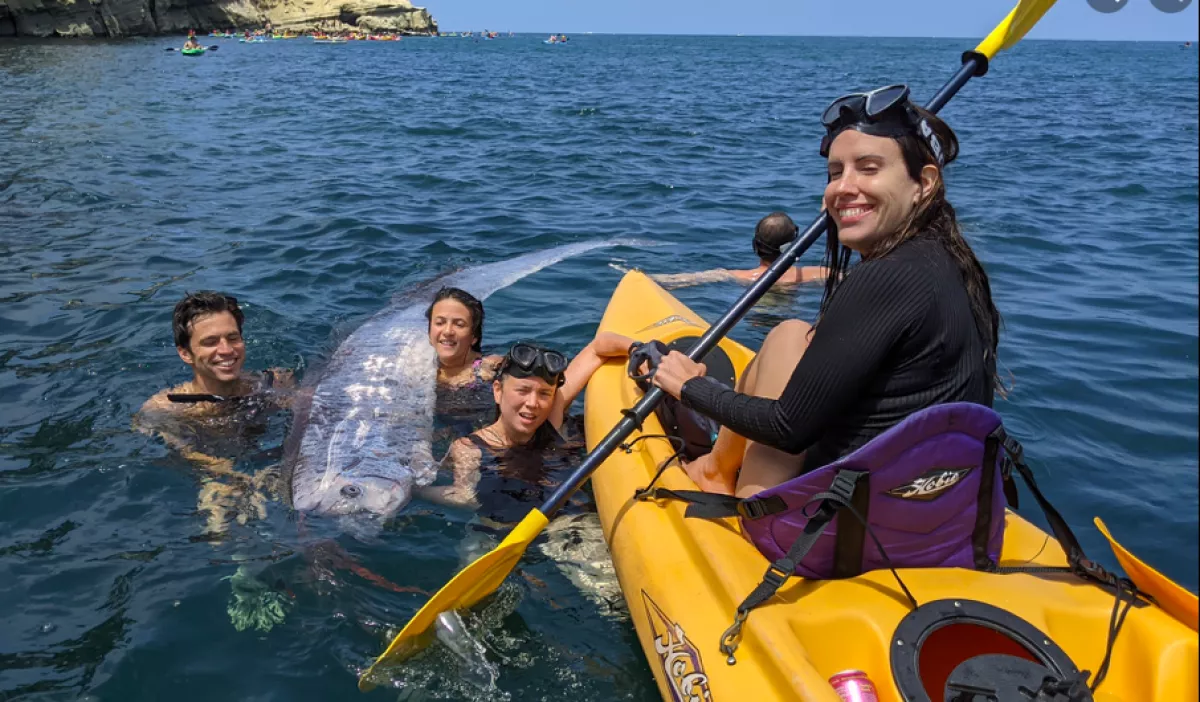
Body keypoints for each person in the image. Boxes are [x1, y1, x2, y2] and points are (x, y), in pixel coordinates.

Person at [651, 84, 999, 500]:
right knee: (793, 333)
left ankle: (715, 473)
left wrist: (691, 387)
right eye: (836, 172)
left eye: (868, 168)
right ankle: (714, 467)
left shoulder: (886, 276)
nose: (842, 188)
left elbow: (787, 428)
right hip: (932, 513)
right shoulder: (947, 262)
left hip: (841, 533)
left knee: (784, 336)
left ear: (923, 183)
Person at [420, 333, 634, 514]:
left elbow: (598, 347)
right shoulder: (470, 448)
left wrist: (638, 350)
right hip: (497, 533)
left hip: (567, 526)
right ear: (497, 391)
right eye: (522, 391)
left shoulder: (552, 417)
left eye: (544, 394)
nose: (533, 404)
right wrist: (414, 490)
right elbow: (464, 496)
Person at [134, 292, 295, 532]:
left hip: (273, 462)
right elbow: (185, 452)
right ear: (185, 353)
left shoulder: (276, 383)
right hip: (218, 475)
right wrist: (234, 477)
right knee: (220, 523)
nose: (226, 350)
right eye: (210, 342)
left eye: (233, 338)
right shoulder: (167, 408)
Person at [638, 212, 829, 290]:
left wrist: (640, 278)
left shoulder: (738, 276)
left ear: (755, 246)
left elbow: (681, 280)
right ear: (793, 246)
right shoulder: (815, 274)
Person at [425, 287, 503, 388]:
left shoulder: (485, 371)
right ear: (429, 332)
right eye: (440, 323)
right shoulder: (419, 366)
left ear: (474, 336)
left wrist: (494, 362)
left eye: (459, 324)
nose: (448, 331)